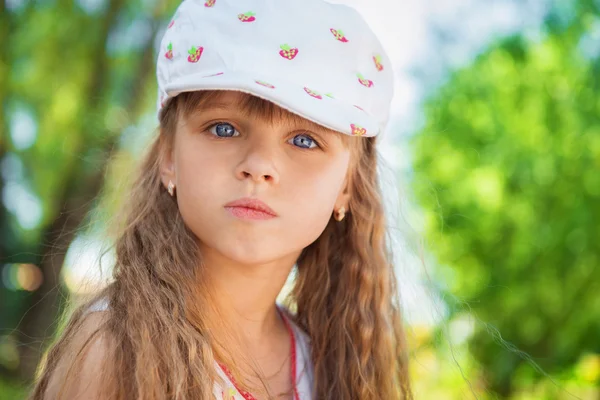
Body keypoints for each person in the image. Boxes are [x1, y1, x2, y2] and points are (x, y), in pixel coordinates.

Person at [30, 0, 412, 398]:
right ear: (168, 156)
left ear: (347, 186)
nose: (259, 166)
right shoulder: (115, 349)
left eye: (304, 140)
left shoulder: (333, 370)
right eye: (224, 129)